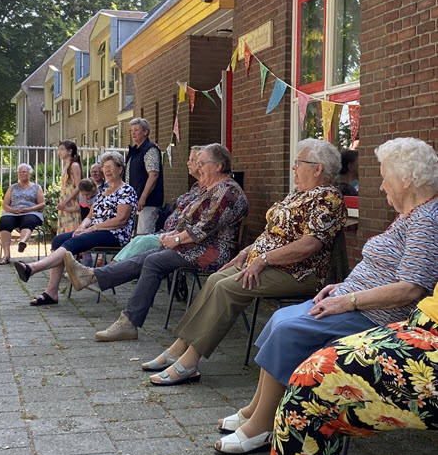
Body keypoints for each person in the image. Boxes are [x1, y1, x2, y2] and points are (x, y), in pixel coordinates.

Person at [214, 137, 438, 455]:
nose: (382, 187)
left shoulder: (427, 222)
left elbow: (411, 288)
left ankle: (263, 427)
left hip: (376, 316)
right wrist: (343, 289)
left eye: (385, 177)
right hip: (353, 300)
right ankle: (257, 410)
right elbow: (383, 268)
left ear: (406, 179)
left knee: (290, 330)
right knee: (280, 318)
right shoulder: (411, 215)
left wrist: (348, 300)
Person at [143, 138, 347, 386]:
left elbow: (309, 245)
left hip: (299, 272)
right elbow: (273, 233)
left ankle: (189, 362)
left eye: (299, 162)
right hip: (267, 263)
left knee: (227, 287)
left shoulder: (328, 198)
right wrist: (247, 252)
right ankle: (179, 349)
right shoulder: (298, 195)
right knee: (217, 278)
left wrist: (263, 259)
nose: (293, 167)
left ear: (318, 168)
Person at [240, 280, 438, 455]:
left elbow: (411, 285)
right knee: (290, 333)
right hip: (421, 322)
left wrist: (350, 299)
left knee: (312, 382)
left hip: (409, 325)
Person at [64, 144, 249, 342]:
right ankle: (91, 277)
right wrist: (172, 236)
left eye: (202, 163)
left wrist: (174, 238)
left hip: (211, 251)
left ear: (219, 166)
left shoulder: (227, 192)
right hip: (195, 246)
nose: (199, 167)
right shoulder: (211, 188)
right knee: (148, 256)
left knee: (154, 261)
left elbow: (202, 228)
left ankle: (126, 319)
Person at [13, 151, 137, 306]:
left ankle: (32, 268)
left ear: (120, 169)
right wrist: (82, 227)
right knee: (59, 240)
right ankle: (51, 293)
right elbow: (90, 216)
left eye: (110, 167)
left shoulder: (126, 190)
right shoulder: (104, 191)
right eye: (104, 167)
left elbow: (121, 220)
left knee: (74, 243)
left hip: (114, 234)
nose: (106, 170)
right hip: (94, 230)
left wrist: (92, 229)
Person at [111, 146, 205, 262]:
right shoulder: (196, 186)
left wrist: (175, 236)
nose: (187, 163)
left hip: (178, 238)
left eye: (192, 160)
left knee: (144, 242)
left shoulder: (209, 191)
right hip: (169, 233)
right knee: (138, 239)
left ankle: (110, 271)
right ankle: (111, 269)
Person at [0, 164, 45, 265]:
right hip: (13, 213)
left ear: (30, 174)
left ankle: (22, 242)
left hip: (31, 212)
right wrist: (12, 210)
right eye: (20, 172)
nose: (22, 174)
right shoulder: (12, 187)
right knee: (4, 222)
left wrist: (28, 209)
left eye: (25, 172)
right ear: (18, 174)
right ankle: (6, 255)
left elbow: (42, 204)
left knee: (29, 220)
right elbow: (5, 204)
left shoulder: (36, 187)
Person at [125, 118, 164, 234]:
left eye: (136, 130)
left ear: (145, 132)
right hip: (134, 201)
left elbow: (153, 174)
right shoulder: (135, 151)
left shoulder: (150, 149)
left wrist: (143, 197)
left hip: (147, 203)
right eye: (131, 130)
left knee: (143, 234)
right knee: (134, 235)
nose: (133, 133)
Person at [56, 140, 82, 235]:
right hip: (65, 200)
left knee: (70, 227)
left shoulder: (74, 165)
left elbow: (78, 186)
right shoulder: (66, 165)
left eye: (62, 149)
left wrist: (66, 201)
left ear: (70, 151)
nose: (60, 152)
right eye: (59, 149)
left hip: (70, 200)